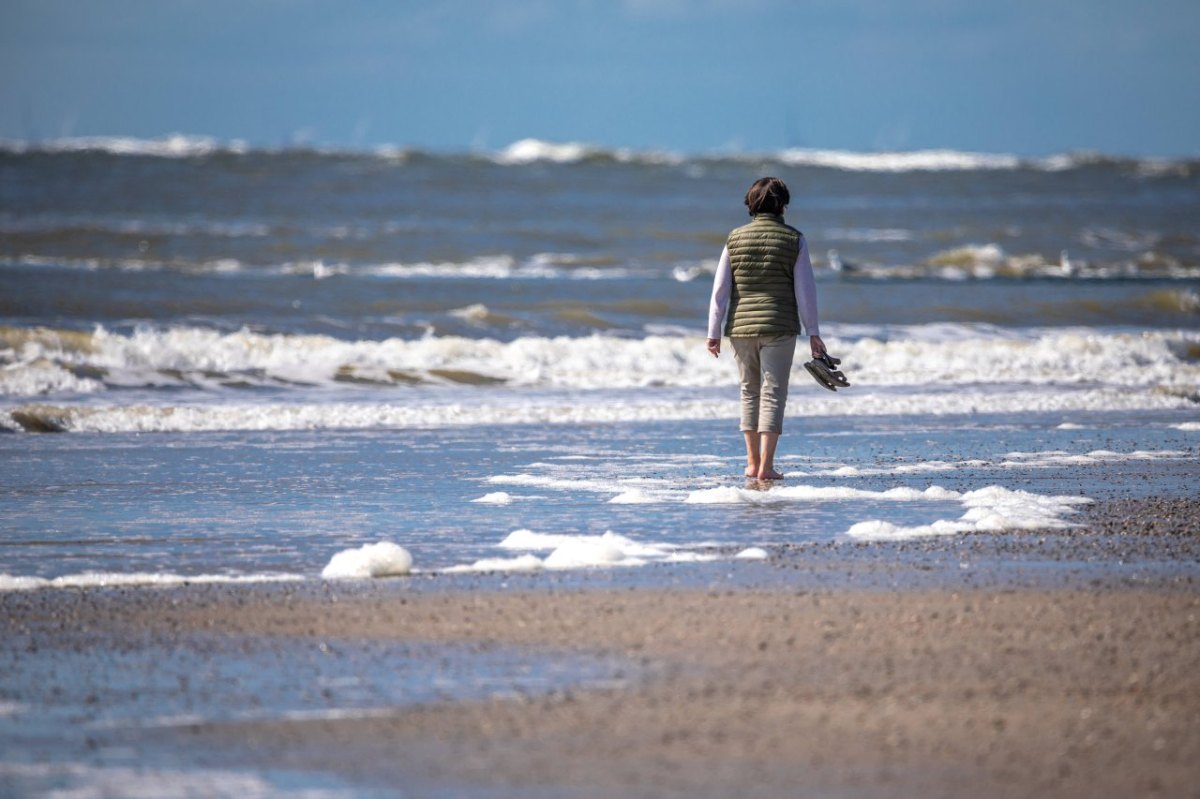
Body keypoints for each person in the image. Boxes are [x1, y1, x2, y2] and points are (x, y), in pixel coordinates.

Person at [706, 177, 826, 481]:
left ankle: (751, 462)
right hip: (780, 325)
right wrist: (813, 331)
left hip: (741, 326)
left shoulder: (734, 238)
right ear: (783, 205)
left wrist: (713, 331)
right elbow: (805, 290)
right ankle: (766, 467)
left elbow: (720, 289)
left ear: (751, 204)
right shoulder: (794, 239)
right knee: (773, 393)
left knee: (749, 392)